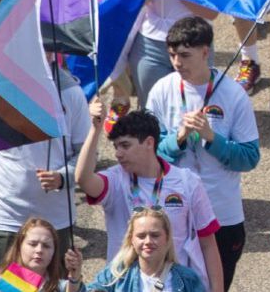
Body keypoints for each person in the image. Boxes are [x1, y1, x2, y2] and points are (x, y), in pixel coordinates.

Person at [146, 17, 260, 287]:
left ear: (205, 52)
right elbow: (148, 152)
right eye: (172, 55)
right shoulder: (162, 90)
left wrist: (212, 138)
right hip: (173, 212)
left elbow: (250, 157)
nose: (177, 62)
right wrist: (178, 139)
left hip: (222, 214)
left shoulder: (233, 94)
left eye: (185, 55)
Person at [0, 56, 89, 271]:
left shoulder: (72, 94)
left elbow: (86, 156)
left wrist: (63, 177)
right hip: (4, 219)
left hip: (55, 223)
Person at [75, 106, 223, 292]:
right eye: (116, 147)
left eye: (125, 145)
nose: (118, 154)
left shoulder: (187, 182)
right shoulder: (115, 179)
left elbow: (208, 244)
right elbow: (83, 179)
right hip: (124, 284)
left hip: (175, 285)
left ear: (149, 143)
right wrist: (95, 129)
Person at [86, 207, 205, 292]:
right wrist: (74, 279)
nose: (148, 241)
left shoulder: (188, 279)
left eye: (155, 235)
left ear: (167, 237)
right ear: (131, 239)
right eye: (141, 236)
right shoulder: (116, 274)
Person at [0, 217, 84, 292]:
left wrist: (75, 277)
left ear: (54, 252)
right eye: (33, 244)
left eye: (46, 246)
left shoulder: (59, 287)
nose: (39, 250)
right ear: (19, 246)